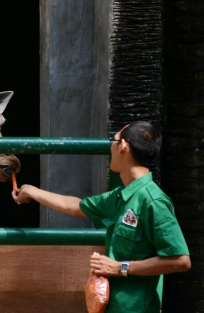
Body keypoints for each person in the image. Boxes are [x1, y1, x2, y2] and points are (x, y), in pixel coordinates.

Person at [12, 121, 191, 313]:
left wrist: (120, 268)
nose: (110, 147)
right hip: (112, 305)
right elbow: (75, 207)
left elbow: (180, 260)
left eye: (112, 141)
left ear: (123, 146)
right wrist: (31, 191)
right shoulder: (121, 195)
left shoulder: (153, 201)